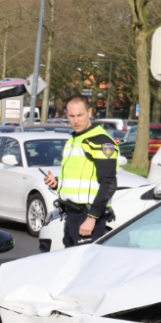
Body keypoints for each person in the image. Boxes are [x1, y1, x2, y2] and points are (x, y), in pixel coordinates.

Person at [43, 95, 118, 247]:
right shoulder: (74, 139)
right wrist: (57, 183)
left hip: (88, 216)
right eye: (71, 116)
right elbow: (79, 179)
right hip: (71, 214)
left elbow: (108, 183)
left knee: (86, 267)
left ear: (89, 113)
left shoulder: (101, 141)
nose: (76, 121)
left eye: (79, 115)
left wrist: (92, 218)